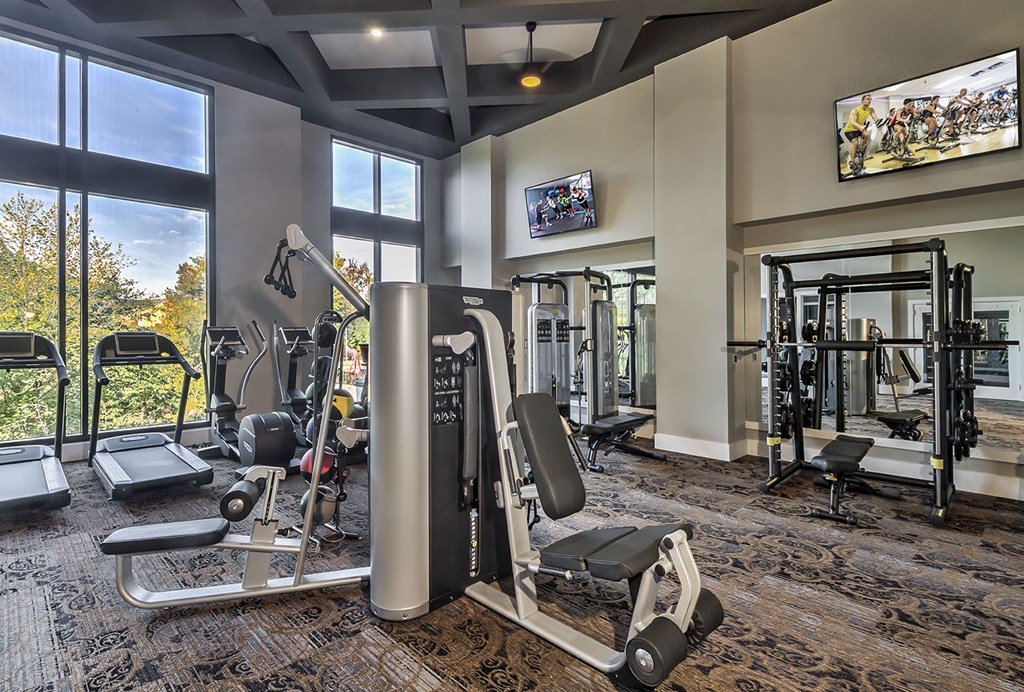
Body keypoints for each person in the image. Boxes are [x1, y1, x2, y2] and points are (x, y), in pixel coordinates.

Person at [842, 94, 877, 171]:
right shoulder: (855, 110)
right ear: (862, 101)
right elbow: (852, 122)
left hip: (858, 129)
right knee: (855, 143)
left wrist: (880, 123)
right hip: (849, 130)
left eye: (870, 99)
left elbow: (876, 119)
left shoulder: (870, 109)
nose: (869, 100)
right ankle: (852, 162)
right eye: (867, 99)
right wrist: (860, 127)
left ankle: (861, 150)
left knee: (867, 134)